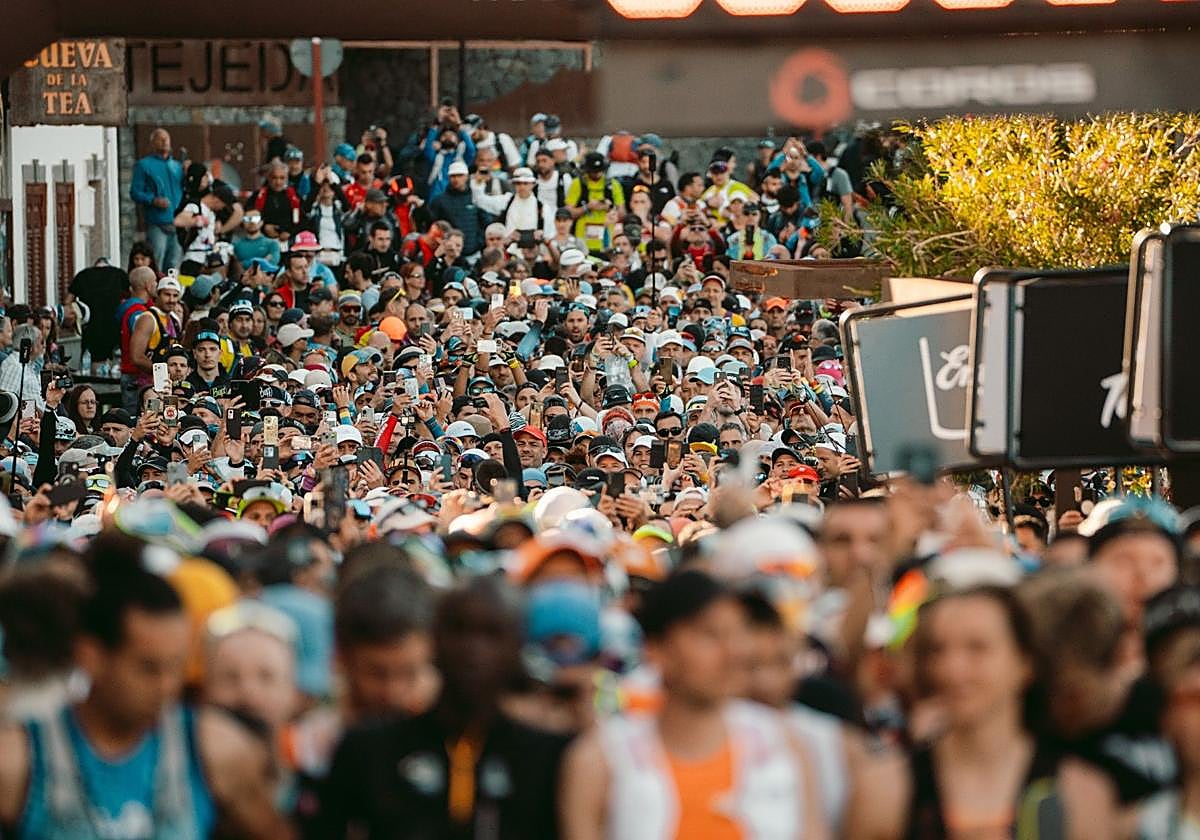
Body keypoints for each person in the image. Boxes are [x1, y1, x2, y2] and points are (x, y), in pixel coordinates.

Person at [0, 534, 292, 839]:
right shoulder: (19, 763)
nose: (167, 686)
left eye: (175, 667)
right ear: (91, 656)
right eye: (148, 668)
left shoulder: (215, 753)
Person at [561, 570, 828, 840]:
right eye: (710, 635)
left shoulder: (782, 745)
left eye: (737, 633)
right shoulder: (603, 761)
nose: (733, 651)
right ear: (656, 650)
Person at [308, 576, 568, 839]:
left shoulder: (547, 757)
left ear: (517, 646)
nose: (472, 649)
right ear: (434, 639)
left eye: (492, 633)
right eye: (458, 629)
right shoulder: (367, 748)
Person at [130, 128, 185, 271]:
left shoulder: (178, 166)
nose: (164, 141)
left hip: (178, 224)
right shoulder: (144, 165)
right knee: (156, 262)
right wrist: (153, 200)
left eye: (167, 138)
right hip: (157, 223)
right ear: (152, 143)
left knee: (174, 265)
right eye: (160, 138)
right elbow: (135, 192)